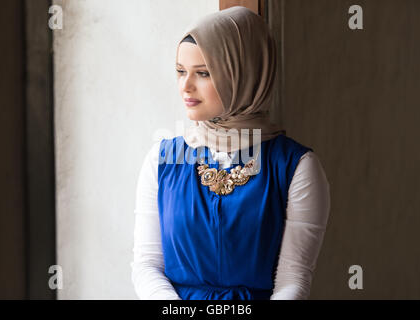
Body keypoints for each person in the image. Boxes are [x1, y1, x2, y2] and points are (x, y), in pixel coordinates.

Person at [131, 6, 330, 300]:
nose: (185, 85)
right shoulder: (162, 160)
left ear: (242, 74)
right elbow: (146, 265)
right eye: (180, 71)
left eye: (203, 73)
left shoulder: (296, 166)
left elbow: (294, 278)